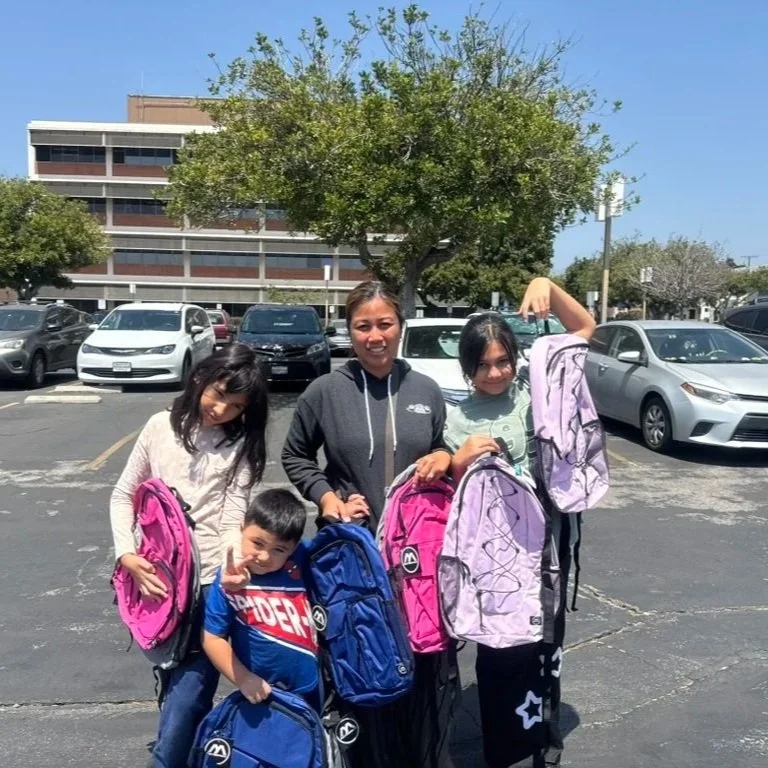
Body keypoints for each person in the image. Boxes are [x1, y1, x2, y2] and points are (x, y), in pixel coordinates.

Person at [282, 280, 457, 768]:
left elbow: (441, 444)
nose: (375, 336)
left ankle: (423, 755)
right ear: (348, 330)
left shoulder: (424, 389)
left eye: (385, 324)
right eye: (363, 326)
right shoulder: (325, 391)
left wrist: (443, 455)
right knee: (361, 664)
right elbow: (295, 455)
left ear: (400, 327)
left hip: (417, 559)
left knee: (423, 663)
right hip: (353, 560)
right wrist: (327, 499)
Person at [444, 277, 596, 768]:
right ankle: (503, 747)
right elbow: (448, 489)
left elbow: (586, 328)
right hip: (489, 560)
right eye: (484, 364)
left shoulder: (537, 393)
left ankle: (542, 740)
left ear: (516, 357)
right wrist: (456, 460)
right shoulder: (453, 417)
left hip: (544, 547)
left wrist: (545, 286)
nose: (496, 372)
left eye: (503, 360)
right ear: (467, 366)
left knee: (543, 644)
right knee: (496, 651)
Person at [109, 344, 269, 768]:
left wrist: (233, 569)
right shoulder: (159, 426)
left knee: (192, 691)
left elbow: (233, 517)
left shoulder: (241, 446)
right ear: (201, 378)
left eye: (236, 406)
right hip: (159, 581)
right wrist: (126, 554)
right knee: (174, 681)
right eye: (218, 394)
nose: (222, 410)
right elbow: (124, 494)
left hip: (209, 584)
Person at [202, 488, 318, 706]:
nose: (264, 557)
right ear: (241, 529)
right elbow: (212, 638)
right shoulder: (229, 578)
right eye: (257, 543)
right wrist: (244, 679)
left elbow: (334, 545)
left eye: (279, 550)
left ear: (293, 549)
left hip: (311, 691)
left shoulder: (302, 561)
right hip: (260, 693)